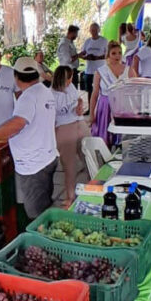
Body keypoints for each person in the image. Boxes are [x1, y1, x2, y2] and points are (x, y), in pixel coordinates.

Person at [0, 57, 58, 220]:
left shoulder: (28, 97)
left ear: (16, 77)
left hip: (34, 165)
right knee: (44, 205)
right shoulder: (45, 91)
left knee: (36, 214)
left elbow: (17, 123)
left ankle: (41, 242)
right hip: (47, 157)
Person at [51, 65, 89, 206]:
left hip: (79, 124)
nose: (71, 80)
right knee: (69, 167)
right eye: (70, 78)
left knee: (89, 159)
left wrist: (79, 105)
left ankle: (95, 187)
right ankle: (70, 197)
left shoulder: (71, 87)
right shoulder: (51, 95)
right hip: (64, 130)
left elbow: (78, 99)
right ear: (64, 79)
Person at [90, 40, 136, 146]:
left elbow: (136, 91)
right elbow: (95, 94)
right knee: (104, 137)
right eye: (114, 53)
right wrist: (92, 113)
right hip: (105, 106)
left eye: (120, 53)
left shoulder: (129, 70)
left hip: (123, 106)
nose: (117, 56)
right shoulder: (100, 71)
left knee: (122, 138)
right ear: (108, 55)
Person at [79, 23, 109, 98]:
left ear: (98, 30)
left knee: (101, 91)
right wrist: (86, 57)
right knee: (90, 92)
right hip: (89, 71)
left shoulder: (104, 41)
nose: (93, 31)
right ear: (90, 31)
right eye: (92, 30)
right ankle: (90, 108)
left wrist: (97, 58)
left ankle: (100, 107)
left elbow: (108, 55)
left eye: (95, 30)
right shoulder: (87, 41)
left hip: (100, 71)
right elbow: (83, 54)